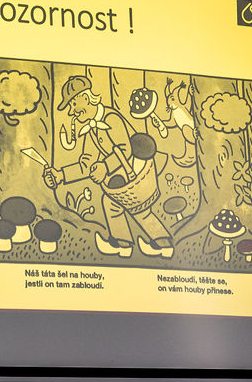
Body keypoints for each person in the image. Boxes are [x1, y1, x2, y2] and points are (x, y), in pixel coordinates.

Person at [43, 75, 173, 258]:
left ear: (85, 98)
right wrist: (60, 175)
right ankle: (124, 245)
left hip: (135, 173)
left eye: (73, 104)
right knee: (112, 204)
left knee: (140, 211)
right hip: (121, 179)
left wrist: (104, 166)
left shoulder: (111, 118)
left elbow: (125, 148)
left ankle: (162, 245)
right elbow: (86, 163)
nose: (72, 112)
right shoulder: (91, 130)